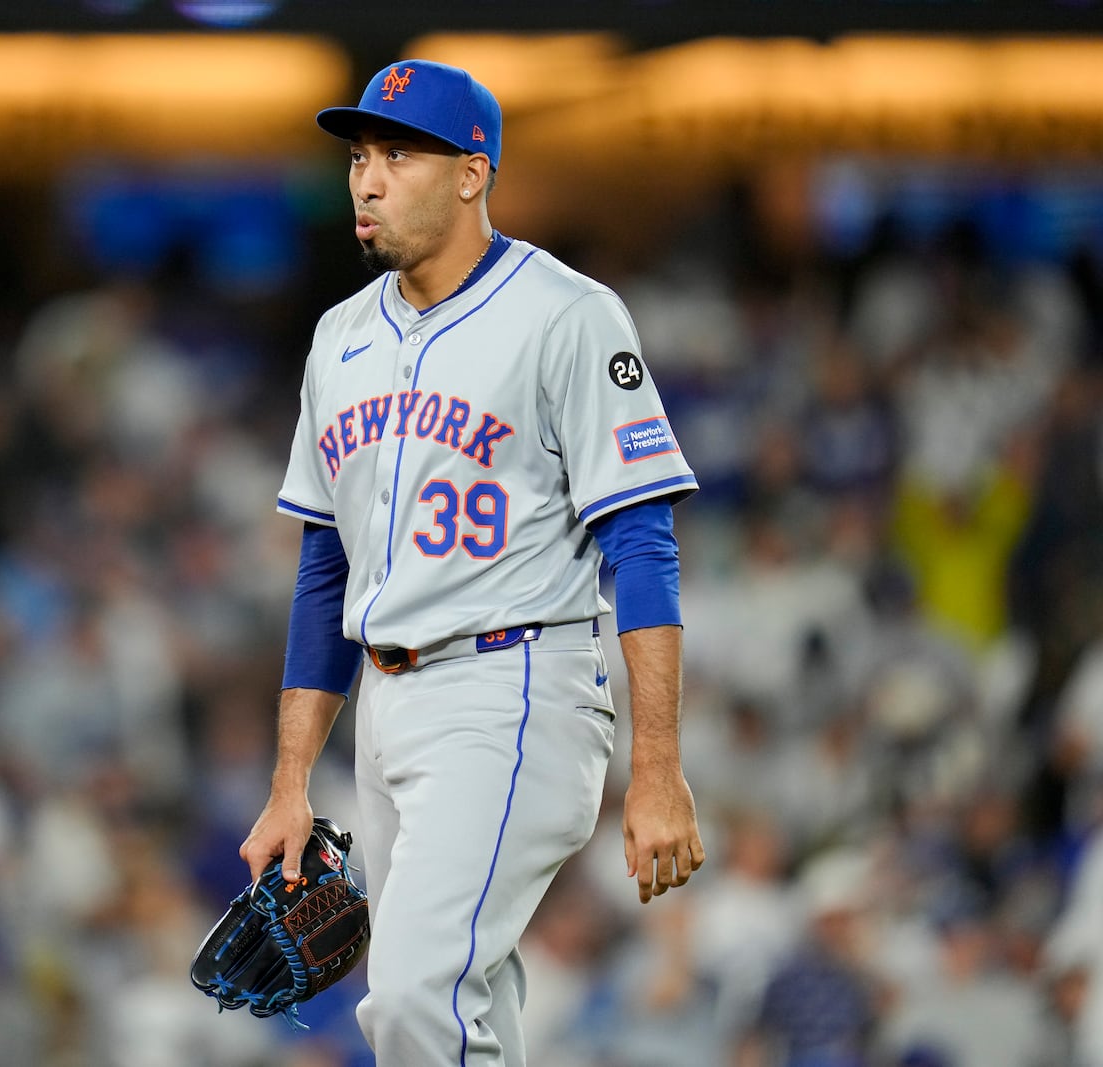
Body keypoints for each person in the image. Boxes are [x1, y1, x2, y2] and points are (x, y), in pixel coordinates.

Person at [241, 58, 707, 1065]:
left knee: (413, 996)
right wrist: (290, 781)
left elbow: (641, 539)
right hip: (386, 704)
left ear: (471, 172)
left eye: (397, 154)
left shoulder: (566, 314)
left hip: (514, 684)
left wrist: (658, 768)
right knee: (469, 999)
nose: (366, 179)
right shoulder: (339, 338)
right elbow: (327, 571)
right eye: (359, 156)